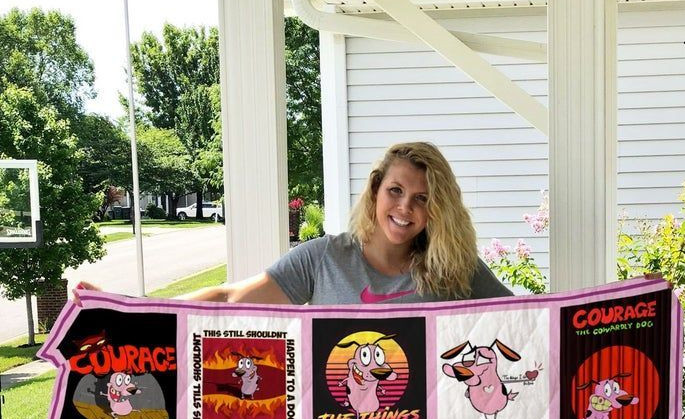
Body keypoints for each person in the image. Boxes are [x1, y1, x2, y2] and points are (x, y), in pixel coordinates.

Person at [76, 142, 512, 307]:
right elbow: (229, 298)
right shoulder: (324, 258)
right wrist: (129, 307)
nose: (405, 207)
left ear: (437, 209)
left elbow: (526, 323)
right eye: (395, 190)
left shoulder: (455, 267)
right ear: (376, 190)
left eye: (422, 198)